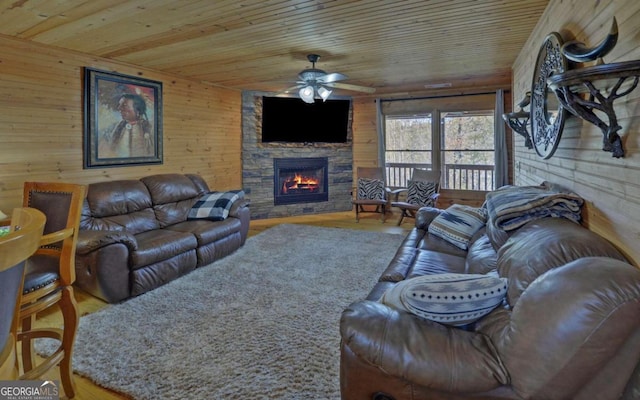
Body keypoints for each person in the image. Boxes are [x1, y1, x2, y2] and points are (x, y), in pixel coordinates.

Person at [99, 93, 154, 158]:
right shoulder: (115, 128)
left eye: (124, 106)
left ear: (137, 110)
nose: (119, 108)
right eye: (119, 105)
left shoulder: (150, 129)